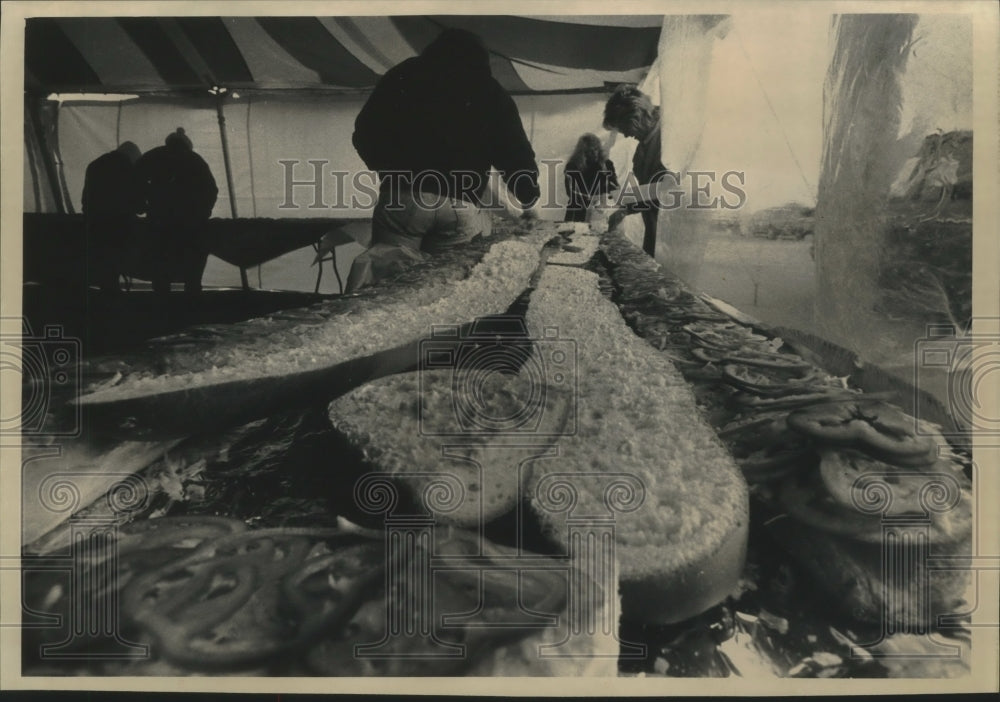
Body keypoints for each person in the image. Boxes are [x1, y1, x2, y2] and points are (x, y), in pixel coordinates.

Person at [347, 28, 541, 292]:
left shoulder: (404, 75)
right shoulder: (492, 93)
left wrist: (390, 172)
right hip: (460, 204)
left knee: (388, 292)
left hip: (404, 199)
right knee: (443, 292)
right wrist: (528, 194)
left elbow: (365, 133)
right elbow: (515, 151)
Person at [136, 128, 218, 294]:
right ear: (187, 145)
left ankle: (161, 304)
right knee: (192, 269)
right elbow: (211, 190)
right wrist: (203, 213)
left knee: (160, 266)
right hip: (189, 222)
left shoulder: (153, 156)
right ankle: (192, 303)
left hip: (159, 220)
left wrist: (143, 204)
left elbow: (135, 181)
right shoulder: (195, 160)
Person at [602, 85, 668, 256]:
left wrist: (624, 200)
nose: (625, 135)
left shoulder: (669, 137)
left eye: (624, 128)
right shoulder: (642, 149)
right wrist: (626, 209)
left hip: (670, 239)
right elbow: (649, 195)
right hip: (653, 230)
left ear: (636, 117)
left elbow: (666, 190)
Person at [81, 141, 143, 293]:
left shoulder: (95, 165)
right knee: (115, 265)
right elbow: (138, 204)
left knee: (106, 272)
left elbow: (85, 201)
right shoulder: (128, 168)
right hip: (119, 228)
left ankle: (108, 300)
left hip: (96, 226)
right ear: (133, 158)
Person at [563, 134, 619, 223]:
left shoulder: (607, 164)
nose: (594, 153)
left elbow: (614, 186)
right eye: (590, 151)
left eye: (596, 149)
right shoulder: (573, 166)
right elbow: (570, 192)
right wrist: (592, 200)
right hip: (578, 211)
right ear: (582, 152)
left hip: (601, 211)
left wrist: (606, 198)